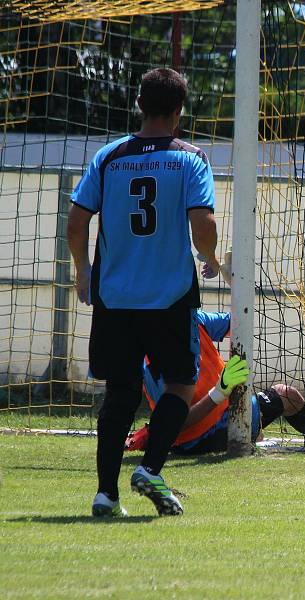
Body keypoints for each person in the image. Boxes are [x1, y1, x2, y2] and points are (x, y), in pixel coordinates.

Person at [68, 68, 219, 517]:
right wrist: (210, 258)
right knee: (180, 383)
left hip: (114, 298)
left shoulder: (109, 157)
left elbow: (76, 222)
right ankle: (151, 467)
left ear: (138, 104)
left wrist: (83, 271)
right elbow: (203, 224)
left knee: (120, 392)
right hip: (169, 296)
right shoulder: (190, 158)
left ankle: (105, 494)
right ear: (179, 111)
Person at [124, 309, 305, 456]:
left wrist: (232, 279)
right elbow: (177, 423)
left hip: (234, 413)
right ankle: (151, 434)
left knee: (288, 396)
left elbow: (238, 322)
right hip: (196, 442)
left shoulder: (194, 319)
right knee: (244, 439)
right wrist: (220, 392)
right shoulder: (150, 362)